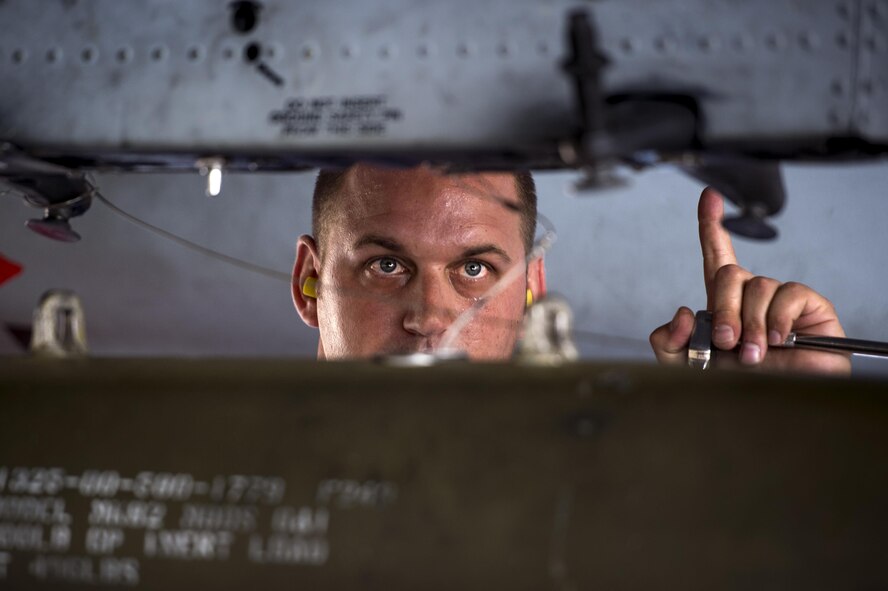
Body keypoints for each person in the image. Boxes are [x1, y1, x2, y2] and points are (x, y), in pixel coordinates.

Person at [291, 164, 850, 373]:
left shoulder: (613, 498)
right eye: (386, 265)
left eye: (476, 269)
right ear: (308, 284)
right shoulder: (216, 480)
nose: (430, 318)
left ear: (532, 289)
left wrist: (789, 428)